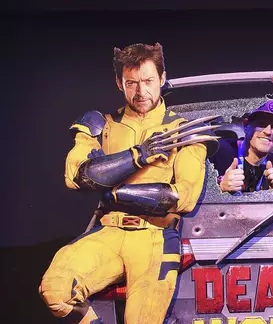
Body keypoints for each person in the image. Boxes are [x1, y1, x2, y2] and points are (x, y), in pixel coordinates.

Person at [38, 43, 219, 324]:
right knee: (55, 290)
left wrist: (113, 189)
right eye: (131, 83)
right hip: (108, 233)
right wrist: (139, 155)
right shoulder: (101, 125)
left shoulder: (184, 131)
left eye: (148, 81)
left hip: (153, 239)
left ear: (162, 78)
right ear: (119, 84)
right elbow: (76, 176)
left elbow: (184, 196)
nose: (141, 91)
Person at [214, 99, 273, 193]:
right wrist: (219, 187)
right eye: (261, 124)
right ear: (246, 126)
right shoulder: (218, 151)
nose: (268, 131)